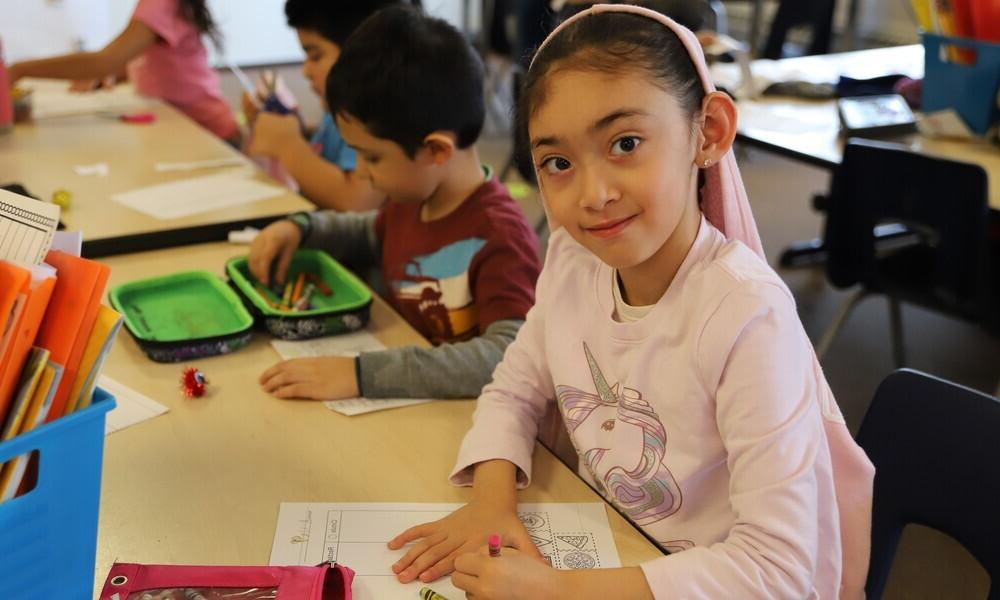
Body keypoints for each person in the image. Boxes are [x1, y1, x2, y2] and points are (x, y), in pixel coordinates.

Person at [387, 5, 875, 599]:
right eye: (558, 163)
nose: (593, 195)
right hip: (617, 547)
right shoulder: (573, 257)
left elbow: (777, 569)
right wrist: (491, 504)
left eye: (625, 143)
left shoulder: (747, 316)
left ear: (709, 132)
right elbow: (515, 386)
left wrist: (556, 592)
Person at [251, 6, 541, 402]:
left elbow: (507, 356)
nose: (363, 173)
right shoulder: (411, 200)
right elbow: (370, 231)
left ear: (436, 150)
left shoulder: (500, 235)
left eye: (372, 158)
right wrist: (302, 228)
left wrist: (362, 375)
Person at [243, 0, 400, 211]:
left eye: (315, 56)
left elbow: (356, 201)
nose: (305, 71)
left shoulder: (376, 114)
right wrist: (290, 129)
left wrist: (286, 144)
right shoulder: (334, 112)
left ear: (360, 52)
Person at [9, 0, 238, 143]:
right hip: (185, 126)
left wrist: (20, 70)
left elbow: (104, 60)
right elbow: (158, 58)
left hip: (205, 132)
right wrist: (115, 74)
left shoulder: (159, 3)